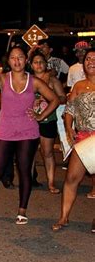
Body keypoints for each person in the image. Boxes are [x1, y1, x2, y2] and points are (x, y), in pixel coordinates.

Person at [0, 46, 59, 225]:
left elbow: (54, 99)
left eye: (20, 57)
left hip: (27, 132)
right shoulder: (2, 79)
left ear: (26, 60)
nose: (17, 61)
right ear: (8, 61)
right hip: (5, 132)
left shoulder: (34, 82)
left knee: (24, 171)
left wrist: (41, 116)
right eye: (13, 58)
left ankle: (22, 210)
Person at [52, 48, 95, 231]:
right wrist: (69, 128)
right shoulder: (78, 85)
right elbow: (69, 110)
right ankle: (64, 217)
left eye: (94, 58)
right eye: (87, 59)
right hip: (84, 137)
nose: (90, 61)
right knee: (71, 178)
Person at [29, 51, 66, 194]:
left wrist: (50, 97)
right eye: (35, 62)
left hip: (48, 120)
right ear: (31, 65)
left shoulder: (53, 80)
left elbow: (62, 98)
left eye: (41, 62)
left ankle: (51, 183)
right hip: (30, 120)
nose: (39, 64)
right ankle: (29, 180)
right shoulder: (27, 80)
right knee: (29, 152)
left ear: (46, 64)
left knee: (48, 152)